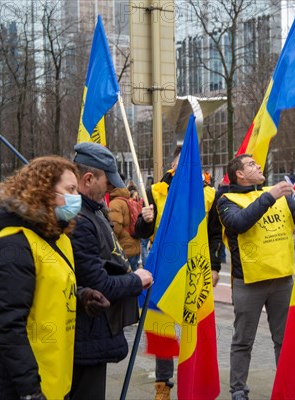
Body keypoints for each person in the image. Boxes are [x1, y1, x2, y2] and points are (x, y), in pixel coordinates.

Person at [0, 156, 85, 398]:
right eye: (70, 189)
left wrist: (83, 297)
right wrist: (30, 390)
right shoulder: (14, 244)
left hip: (51, 377)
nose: (77, 197)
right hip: (12, 386)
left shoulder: (60, 240)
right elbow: (10, 326)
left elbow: (48, 292)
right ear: (44, 191)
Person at [217, 154, 295, 400]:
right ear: (239, 174)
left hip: (282, 279)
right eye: (251, 165)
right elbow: (239, 223)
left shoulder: (278, 194)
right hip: (249, 282)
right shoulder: (227, 200)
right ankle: (238, 389)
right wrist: (269, 197)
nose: (258, 166)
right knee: (243, 340)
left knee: (284, 340)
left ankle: (287, 385)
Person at [135, 147, 220, 400]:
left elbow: (215, 233)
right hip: (164, 265)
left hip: (196, 267)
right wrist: (145, 220)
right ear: (172, 165)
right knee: (161, 326)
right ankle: (163, 385)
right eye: (181, 162)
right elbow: (139, 231)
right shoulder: (155, 192)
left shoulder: (210, 195)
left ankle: (196, 379)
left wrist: (214, 266)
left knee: (198, 324)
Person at [70, 142, 153, 399]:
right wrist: (135, 281)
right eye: (107, 182)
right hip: (87, 332)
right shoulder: (80, 219)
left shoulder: (93, 211)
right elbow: (99, 285)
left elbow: (113, 248)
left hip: (94, 332)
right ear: (88, 179)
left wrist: (144, 226)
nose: (111, 188)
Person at [108, 177, 142, 270]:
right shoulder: (128, 201)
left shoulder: (115, 203)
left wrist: (109, 245)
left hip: (124, 249)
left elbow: (115, 227)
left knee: (127, 280)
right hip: (135, 248)